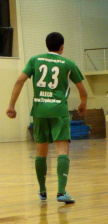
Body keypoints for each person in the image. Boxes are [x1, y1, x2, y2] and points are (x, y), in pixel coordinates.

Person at [6, 32, 87, 204]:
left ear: (47, 45)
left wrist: (11, 105)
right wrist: (83, 104)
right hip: (59, 111)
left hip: (40, 110)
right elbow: (83, 90)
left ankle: (42, 191)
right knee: (62, 151)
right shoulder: (68, 64)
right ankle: (61, 192)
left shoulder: (35, 60)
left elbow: (19, 81)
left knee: (41, 152)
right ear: (62, 47)